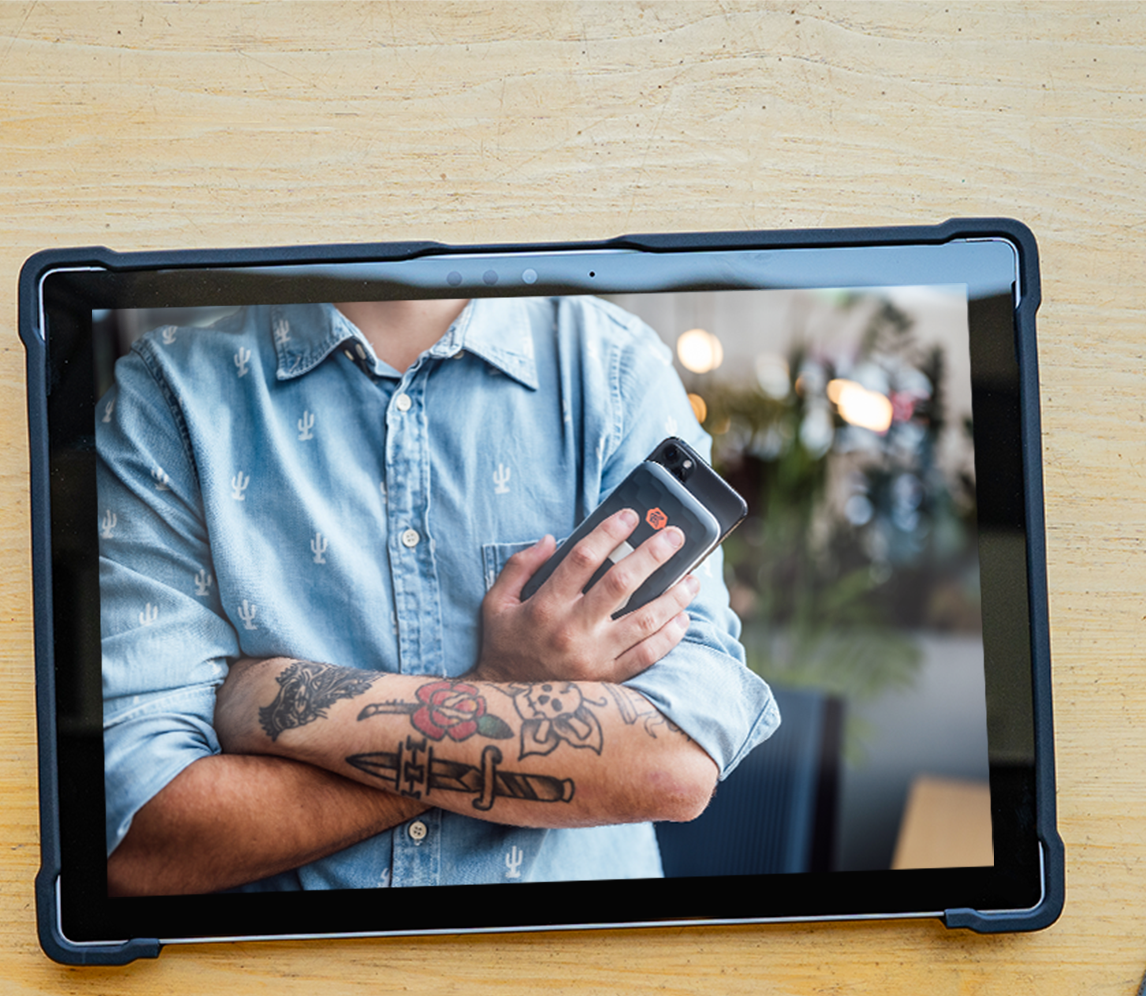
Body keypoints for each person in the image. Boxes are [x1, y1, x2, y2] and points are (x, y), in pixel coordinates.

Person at [96, 294, 777, 894]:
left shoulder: (614, 371)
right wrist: (506, 686)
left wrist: (280, 703)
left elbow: (673, 763)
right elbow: (143, 833)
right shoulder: (174, 395)